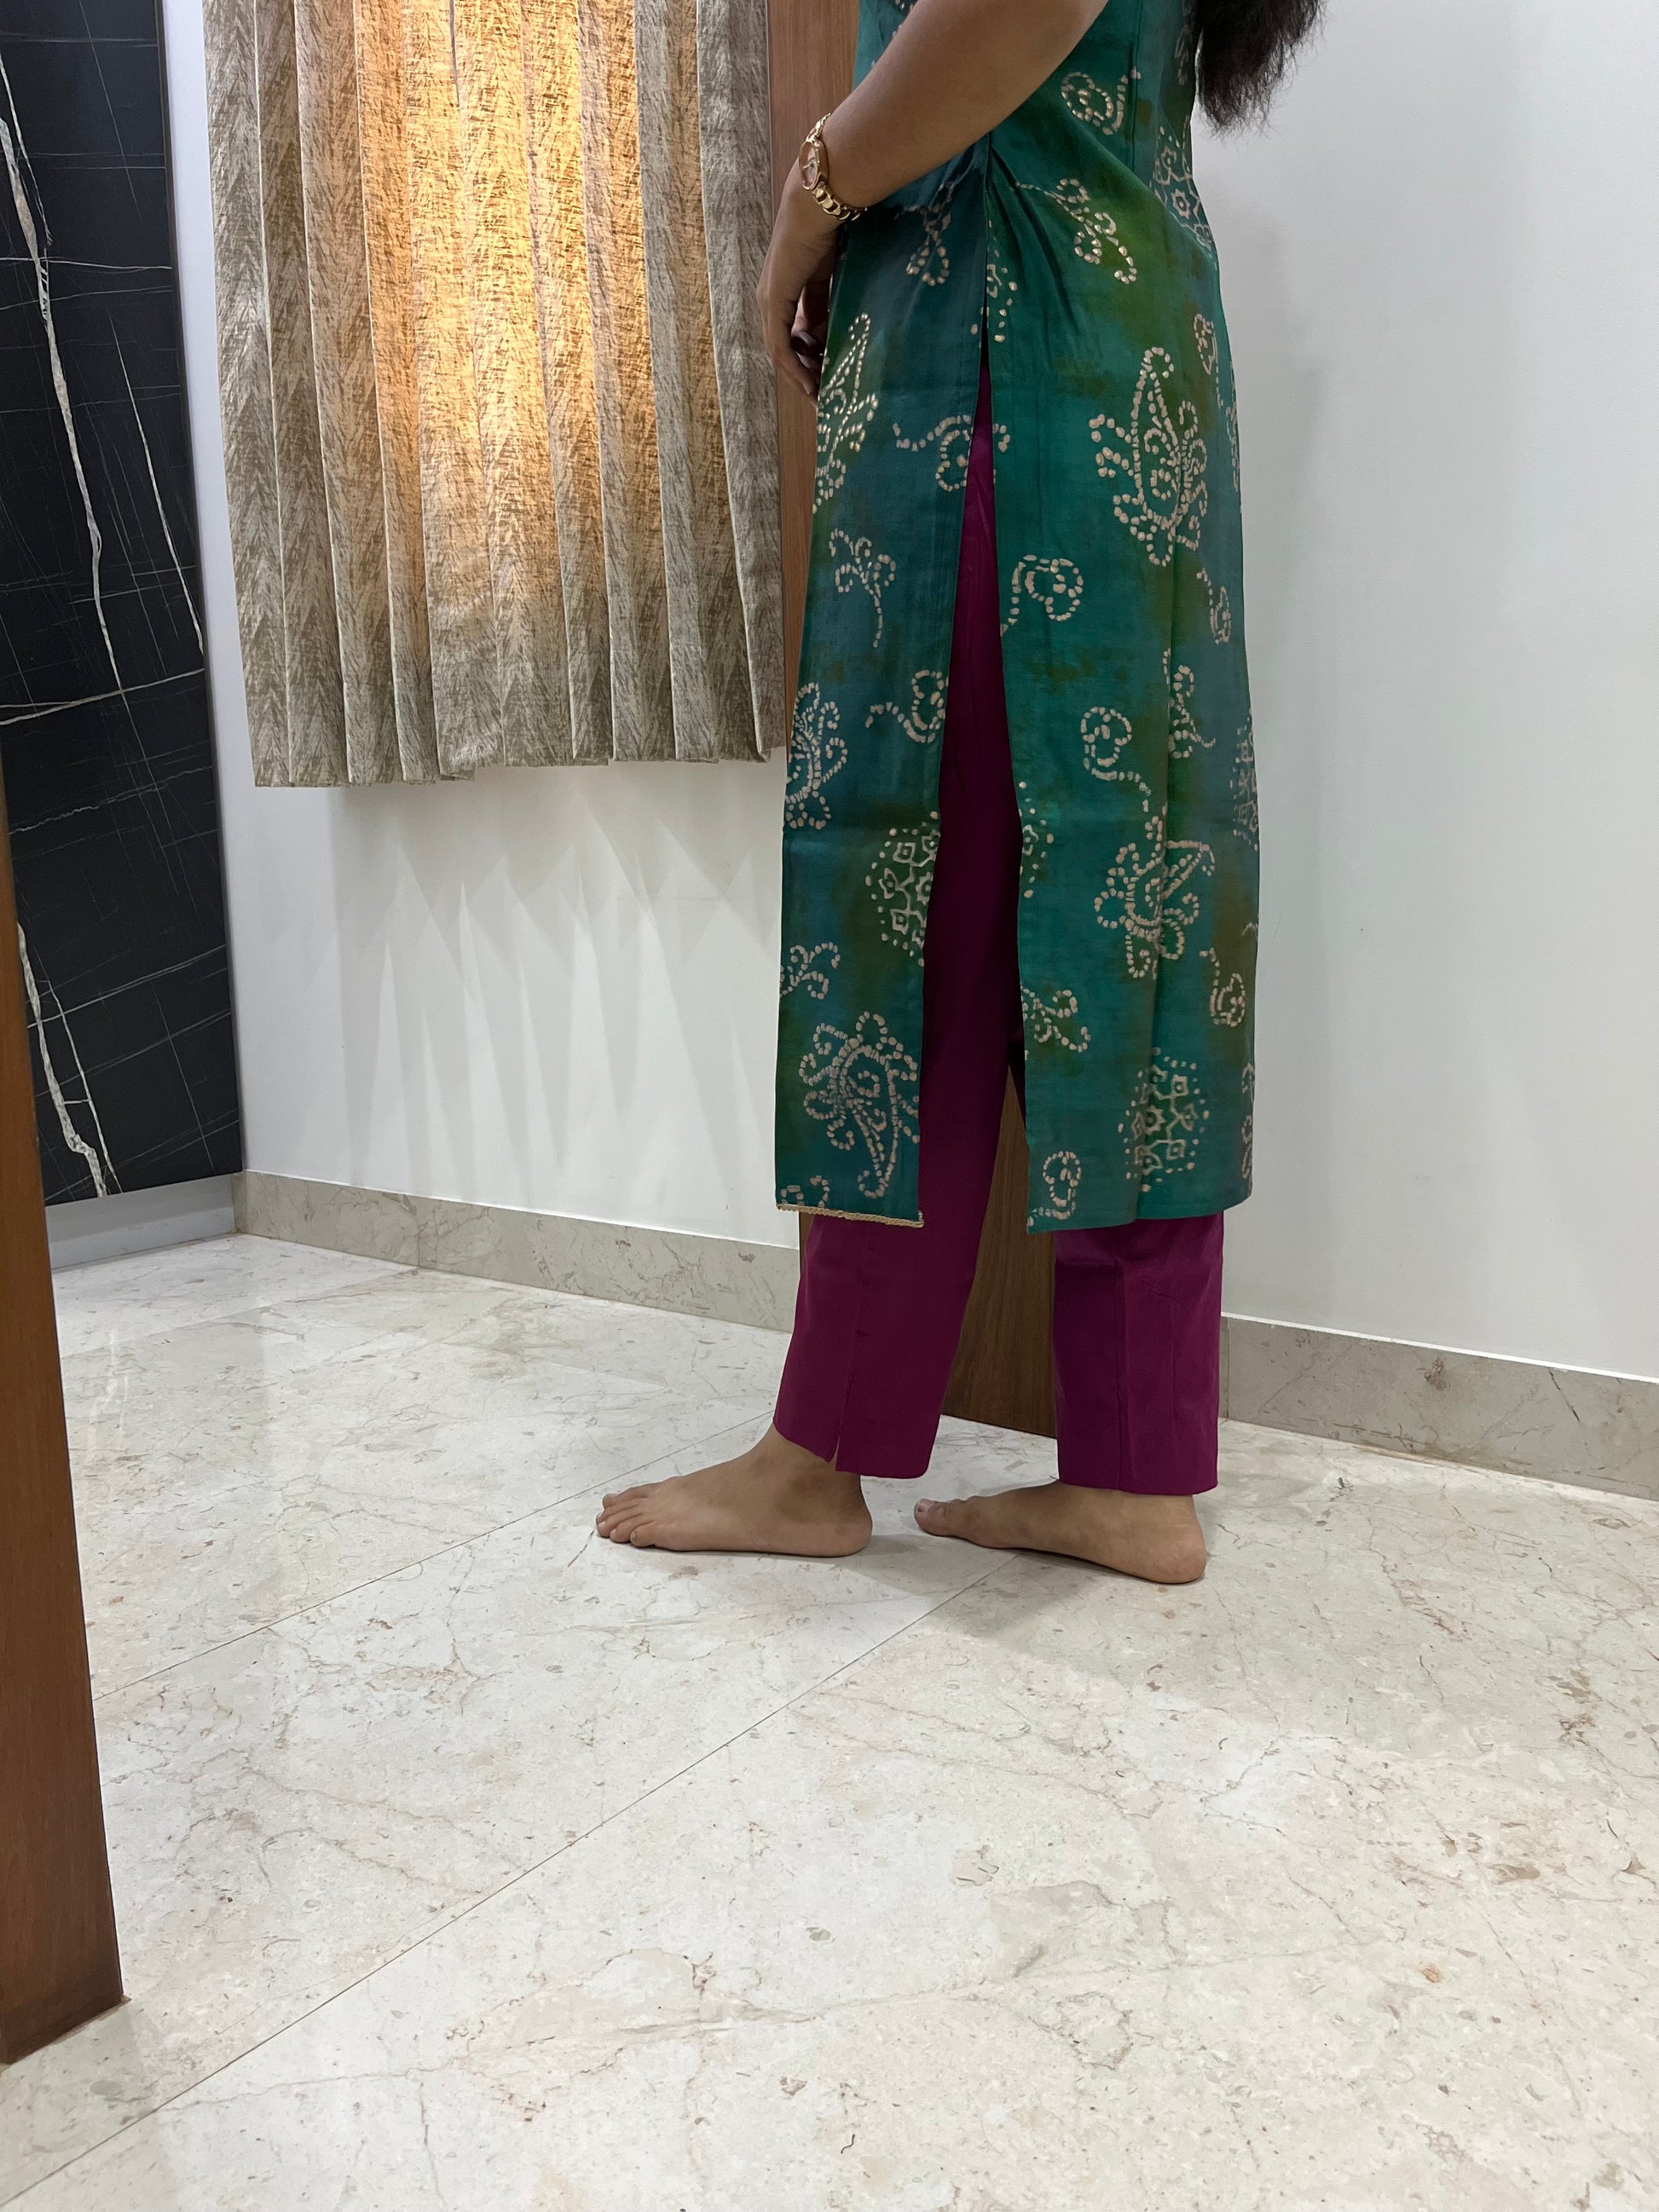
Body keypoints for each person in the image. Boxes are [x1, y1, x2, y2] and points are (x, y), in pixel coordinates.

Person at [598, 0, 1321, 1581]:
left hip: (996, 382)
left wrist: (812, 194)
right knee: (1133, 913)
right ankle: (1134, 1467)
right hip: (1118, 368)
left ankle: (821, 1458)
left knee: (908, 907)